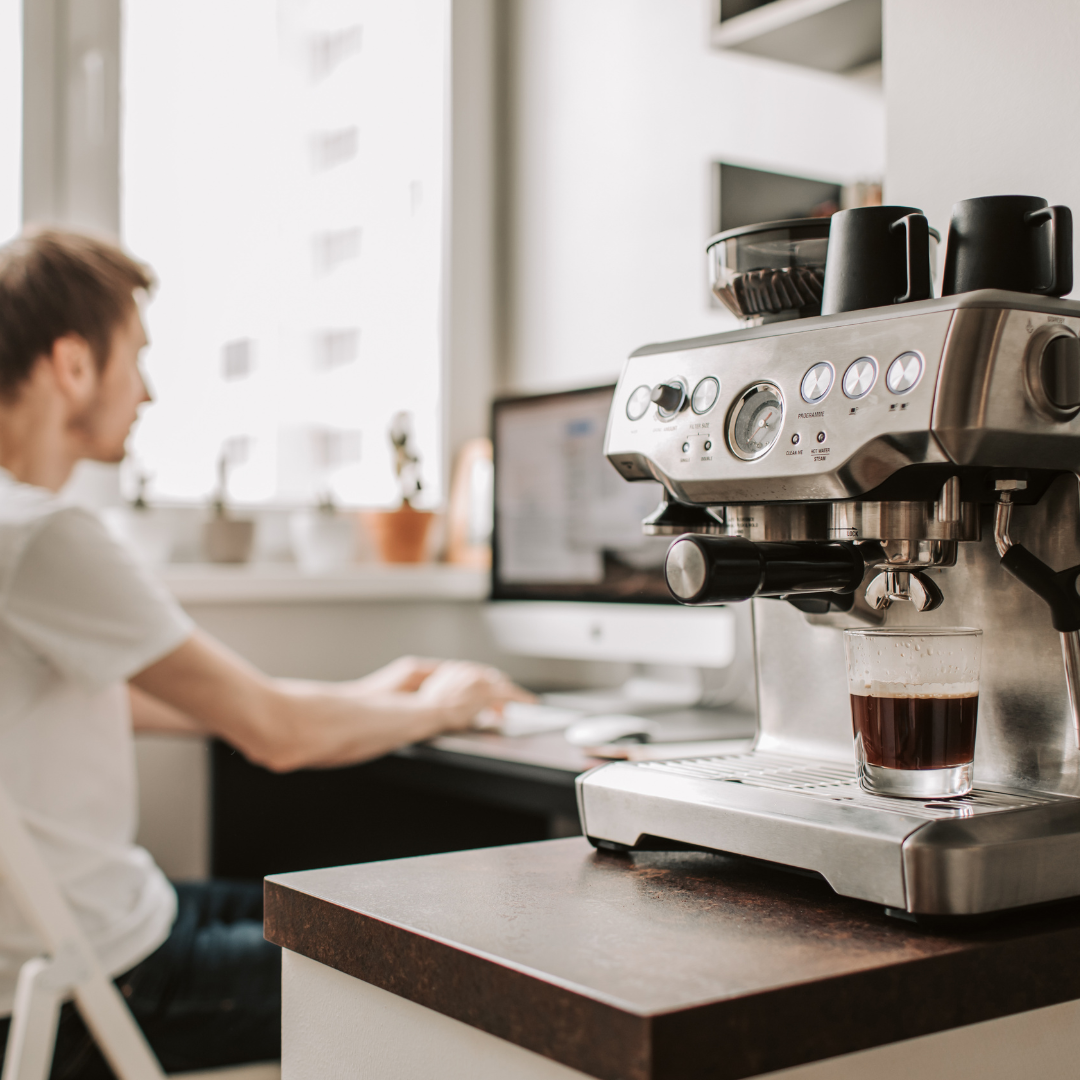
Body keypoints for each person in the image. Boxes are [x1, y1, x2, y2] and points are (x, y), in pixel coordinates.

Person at [0, 228, 530, 1077]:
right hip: (93, 981)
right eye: (135, 357)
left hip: (111, 919)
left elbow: (155, 701)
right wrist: (440, 707)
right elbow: (274, 734)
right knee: (438, 975)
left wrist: (372, 692)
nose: (147, 391)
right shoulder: (41, 535)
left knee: (334, 911)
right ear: (71, 365)